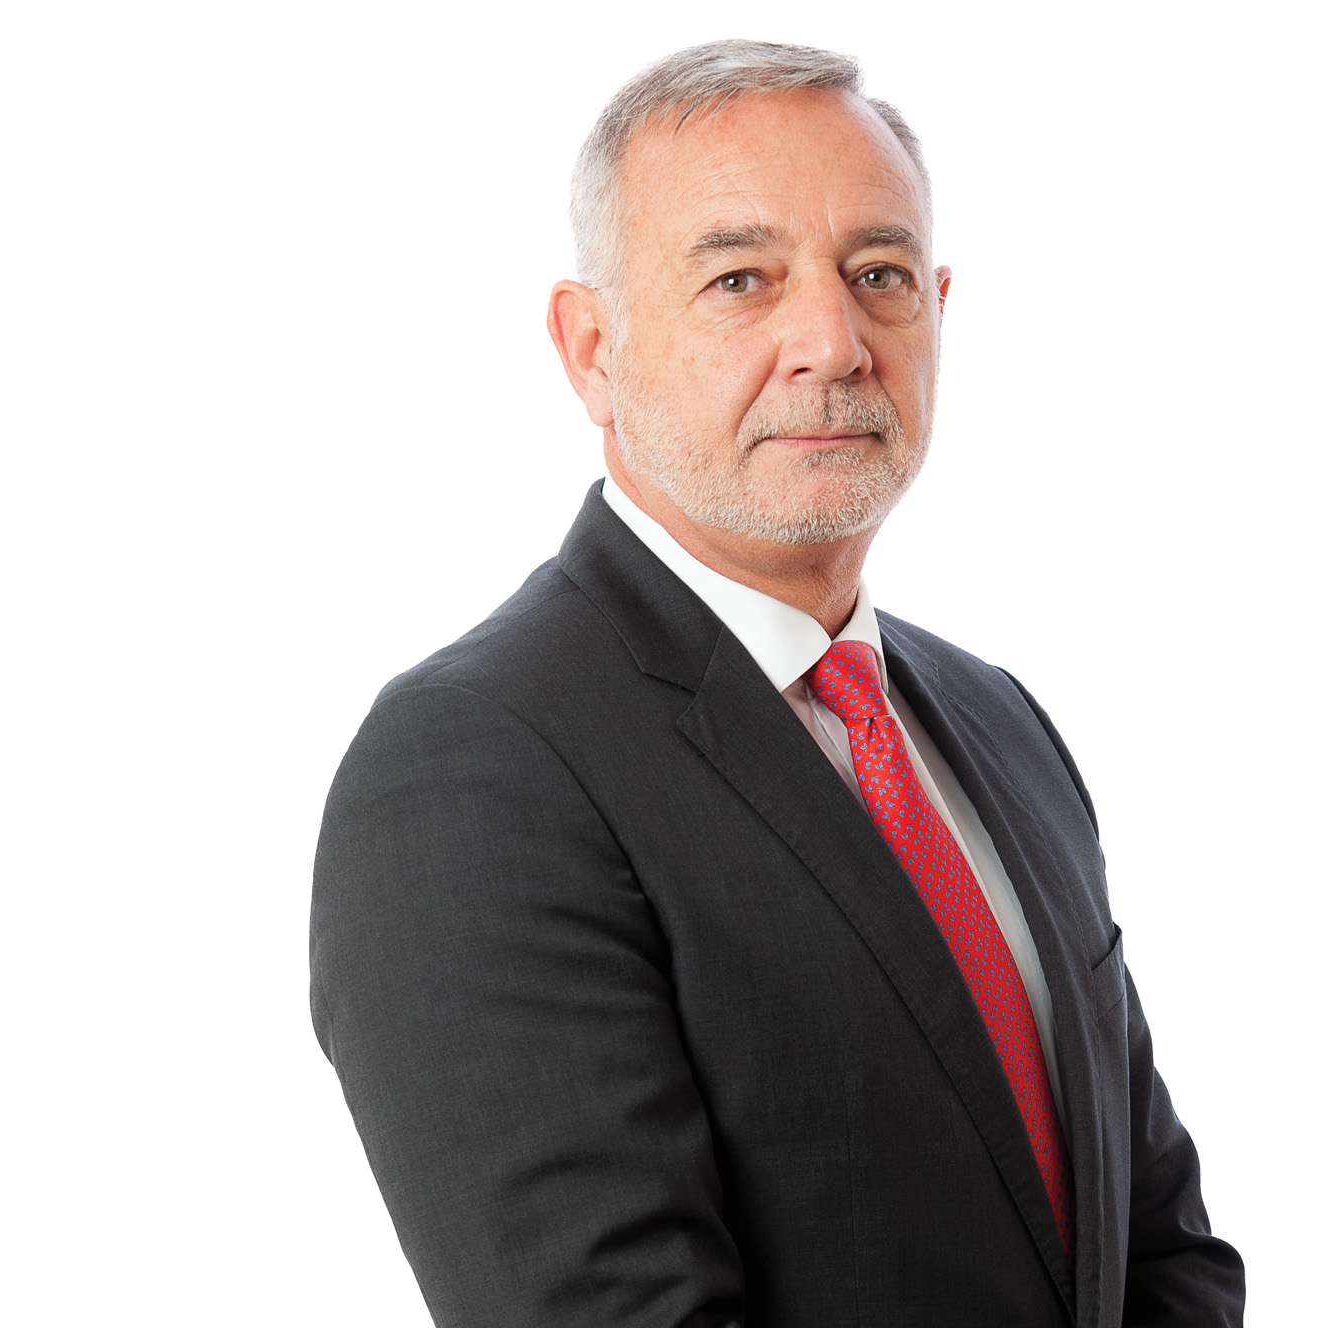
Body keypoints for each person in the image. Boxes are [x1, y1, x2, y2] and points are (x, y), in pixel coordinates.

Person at [310, 39, 1245, 1328]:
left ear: (939, 310)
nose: (832, 342)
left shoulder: (998, 722)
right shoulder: (475, 768)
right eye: (740, 279)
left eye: (879, 275)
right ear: (591, 348)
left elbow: (1163, 1253)